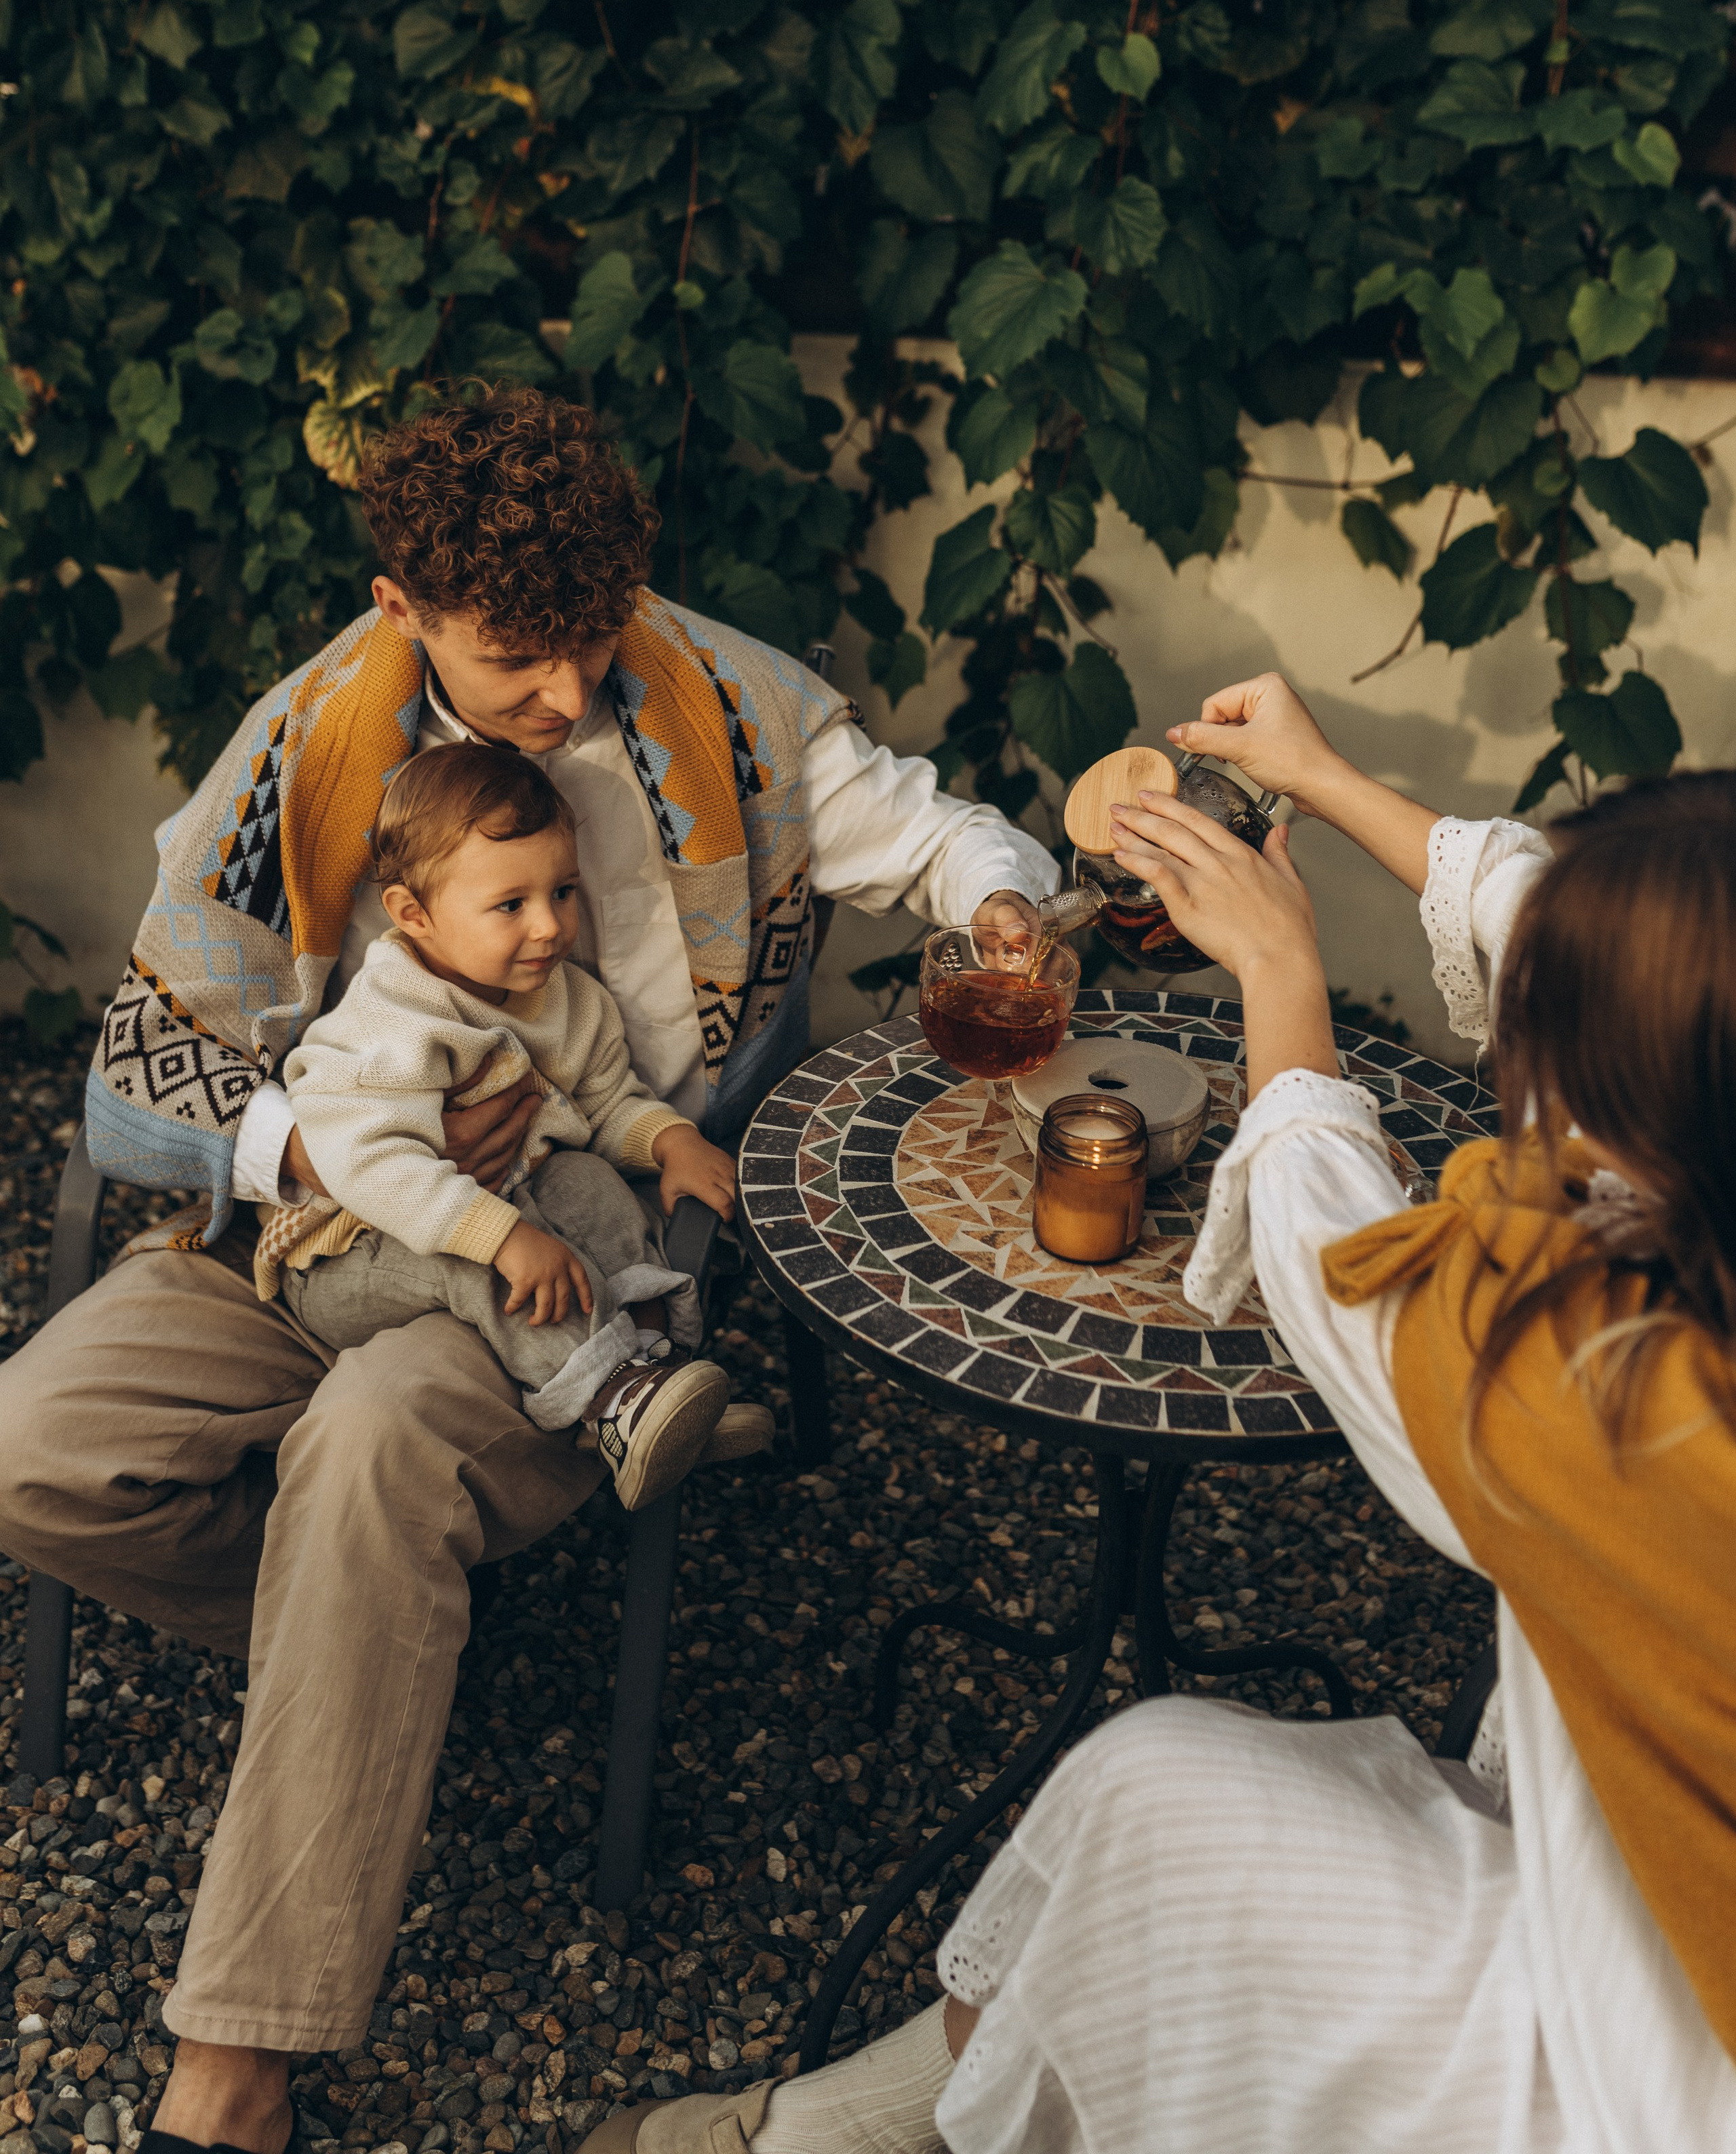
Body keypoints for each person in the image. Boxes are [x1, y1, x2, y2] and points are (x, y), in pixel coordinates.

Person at [0, 387, 1059, 2154]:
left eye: (595, 641)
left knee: (372, 1449)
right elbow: (134, 1077)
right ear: (404, 604)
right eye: (523, 664)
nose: (573, 693)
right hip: (302, 1233)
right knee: (31, 1442)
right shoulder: (303, 744)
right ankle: (375, 1642)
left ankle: (234, 2073)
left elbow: (931, 834)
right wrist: (316, 1154)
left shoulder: (724, 701)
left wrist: (1002, 899)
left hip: (558, 1268)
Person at [627, 671, 1736, 2154]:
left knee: (1150, 1797)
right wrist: (1320, 778)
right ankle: (865, 2123)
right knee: (1140, 1783)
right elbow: (1575, 928)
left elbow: (1343, 1281)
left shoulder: (1628, 1390)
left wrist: (1282, 975)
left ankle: (824, 2138)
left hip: (1645, 2047)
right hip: (1660, 1861)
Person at [268, 743, 742, 1510]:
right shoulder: (392, 1018)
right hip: (350, 1250)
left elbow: (604, 1100)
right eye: (510, 906)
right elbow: (365, 1163)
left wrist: (667, 1139)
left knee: (586, 1178)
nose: (550, 927)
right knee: (487, 1264)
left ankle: (653, 1369)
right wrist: (505, 1237)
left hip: (502, 1196)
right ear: (414, 914)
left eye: (562, 892)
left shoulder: (568, 999)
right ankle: (610, 1406)